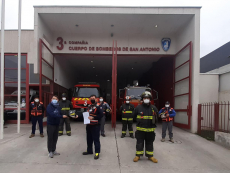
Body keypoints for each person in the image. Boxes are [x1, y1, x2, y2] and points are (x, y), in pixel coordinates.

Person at [133, 91, 158, 163]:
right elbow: (134, 117)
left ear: (150, 99)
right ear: (142, 99)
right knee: (139, 143)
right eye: (145, 98)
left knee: (150, 143)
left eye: (147, 98)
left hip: (150, 130)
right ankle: (138, 155)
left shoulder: (154, 108)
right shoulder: (138, 108)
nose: (146, 99)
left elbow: (157, 119)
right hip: (140, 130)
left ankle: (150, 156)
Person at [76, 95, 103, 160]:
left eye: (93, 98)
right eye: (91, 98)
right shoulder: (88, 106)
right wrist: (78, 116)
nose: (92, 99)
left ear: (96, 99)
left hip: (95, 126)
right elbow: (84, 114)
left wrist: (94, 117)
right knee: (89, 139)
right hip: (88, 125)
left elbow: (101, 115)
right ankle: (89, 150)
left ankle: (97, 152)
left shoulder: (98, 106)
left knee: (96, 140)